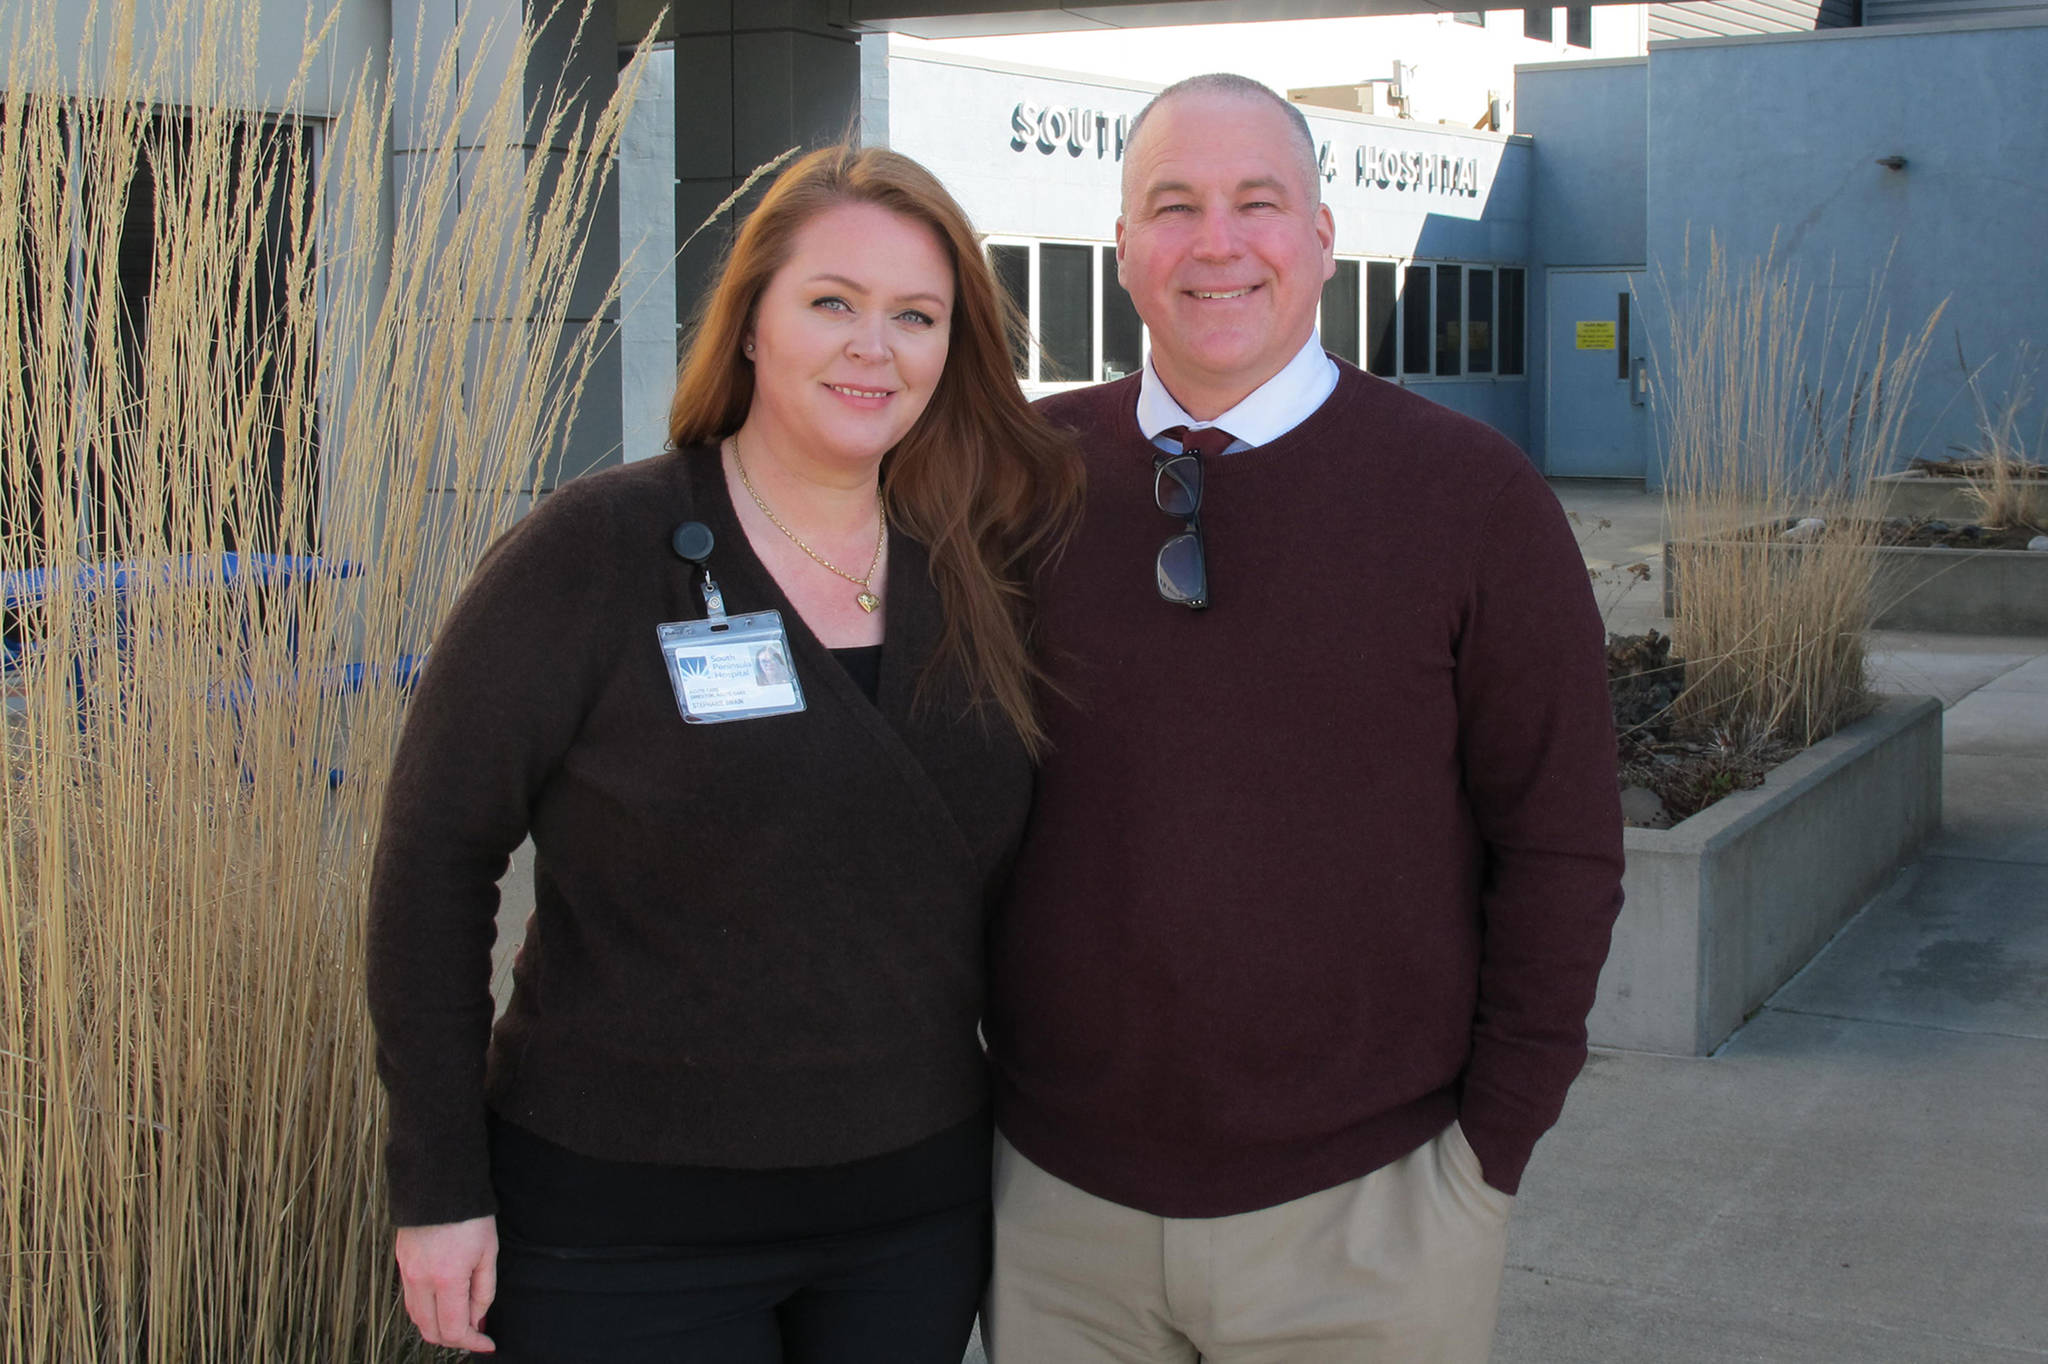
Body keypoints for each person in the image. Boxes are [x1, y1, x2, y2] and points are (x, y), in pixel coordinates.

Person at [366, 144, 1081, 1362]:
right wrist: (437, 1186)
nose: (875, 346)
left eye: (915, 316)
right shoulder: (592, 554)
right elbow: (434, 863)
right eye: (830, 303)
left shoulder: (983, 574)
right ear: (749, 322)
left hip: (907, 1223)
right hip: (620, 1233)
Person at [982, 74, 1625, 1363]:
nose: (1215, 242)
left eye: (1255, 203)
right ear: (1123, 249)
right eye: (1172, 206)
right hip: (1056, 1215)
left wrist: (1485, 1156)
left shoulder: (1470, 498)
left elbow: (1559, 843)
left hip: (1373, 1221)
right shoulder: (1016, 480)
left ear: (1322, 239)